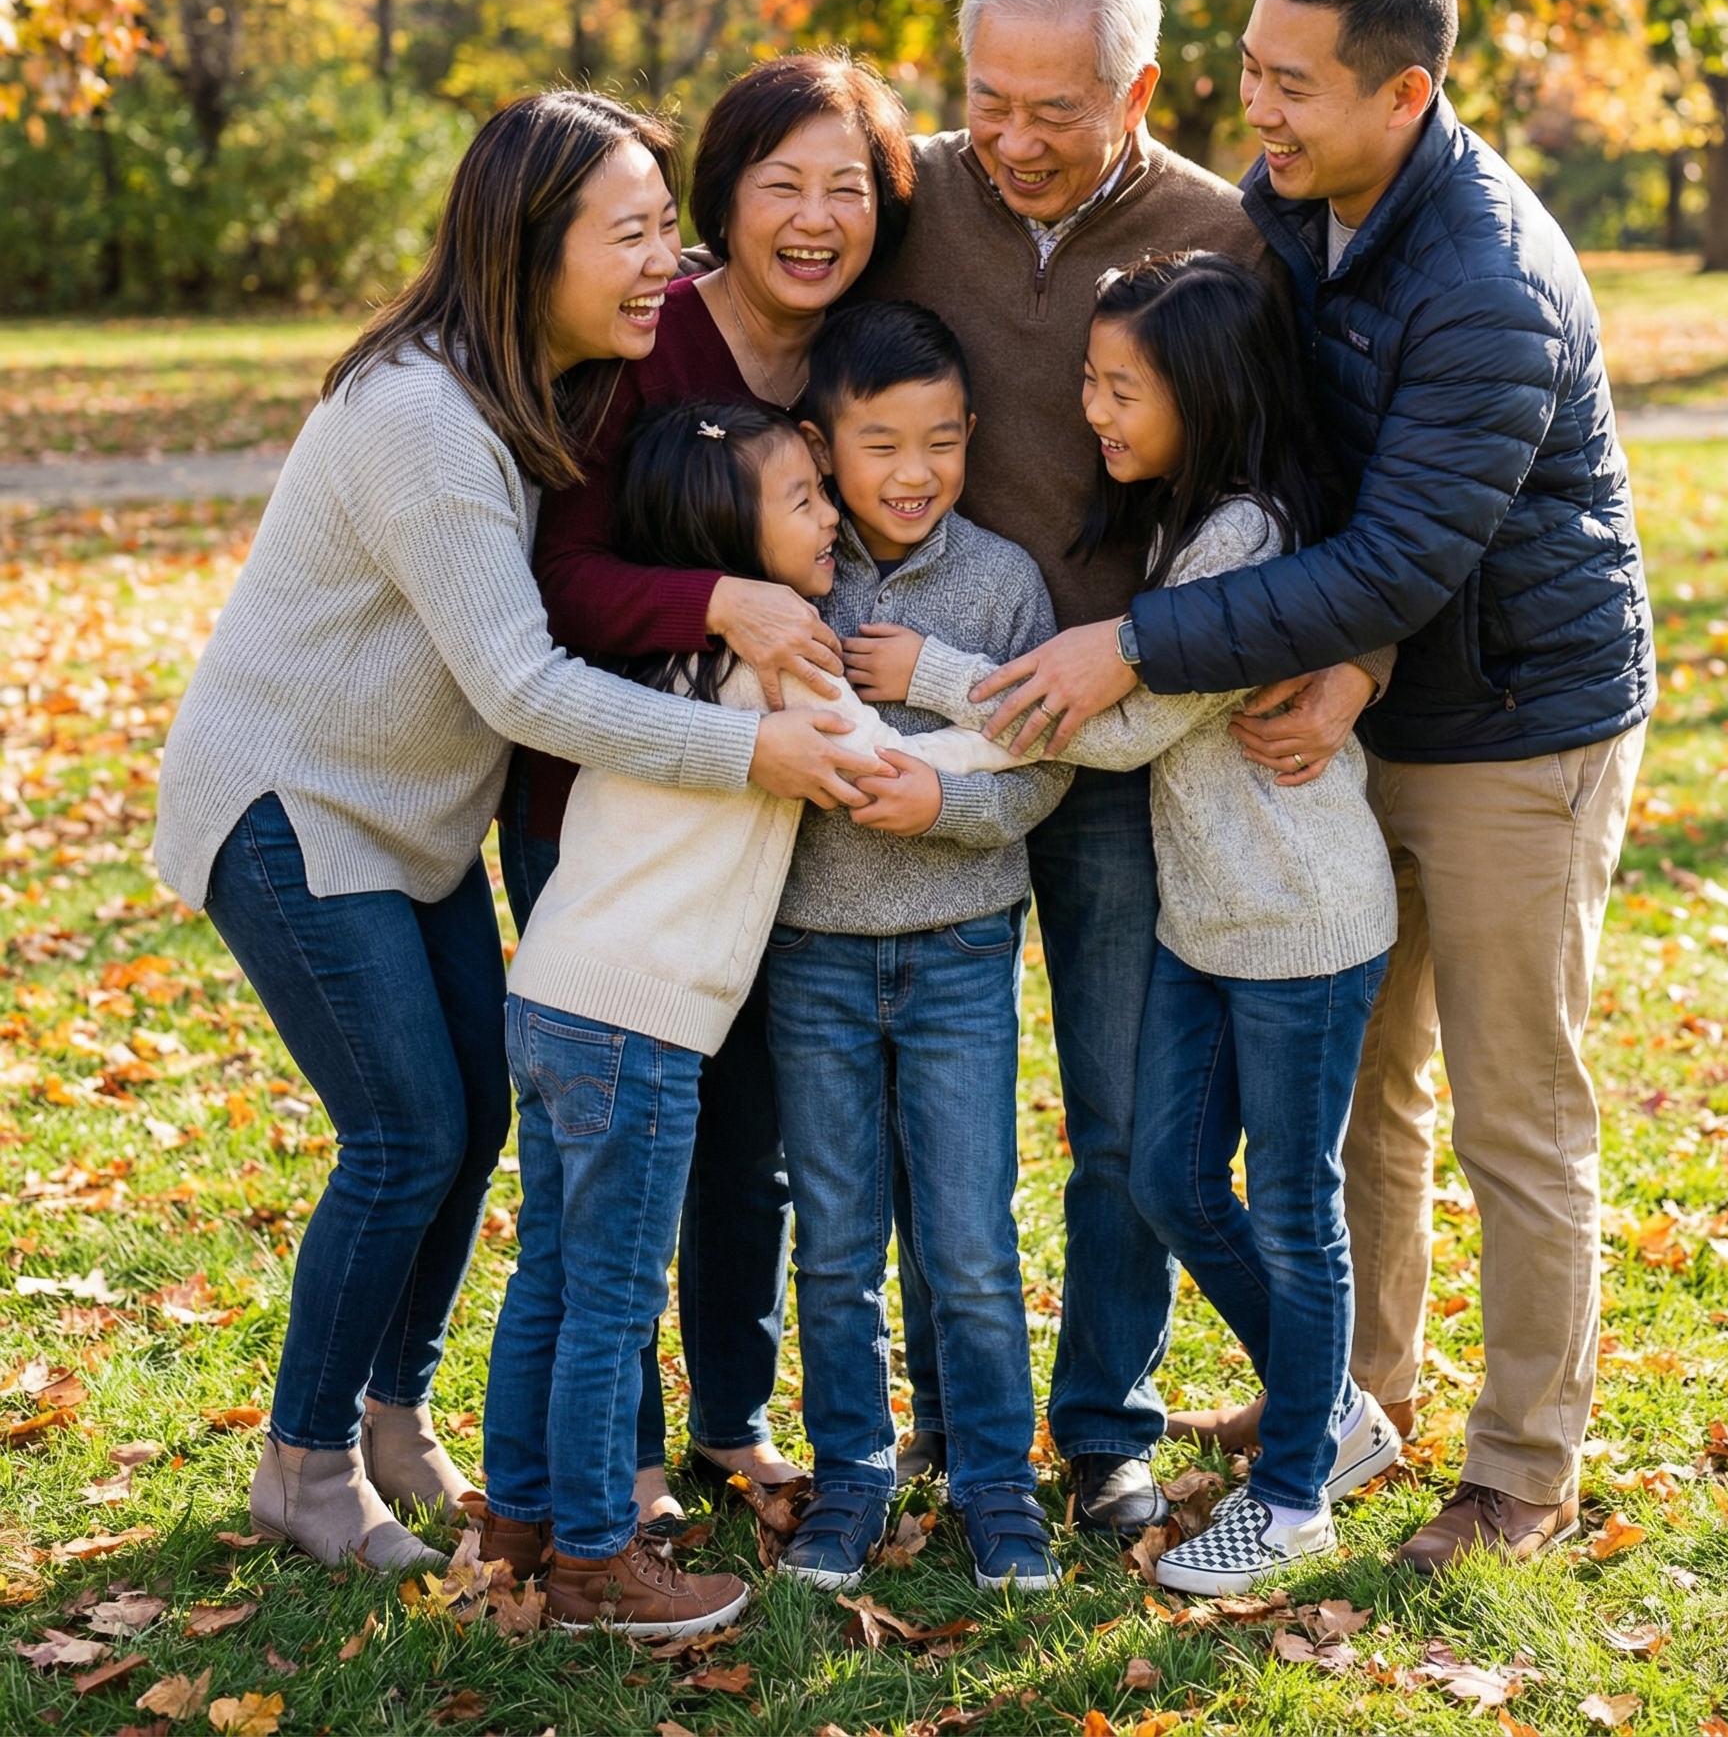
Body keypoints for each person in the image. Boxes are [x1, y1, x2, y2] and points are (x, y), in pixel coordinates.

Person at [963, 0, 1655, 1572]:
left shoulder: (1482, 276)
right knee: (1369, 1100)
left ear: (1400, 91)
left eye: (1287, 84)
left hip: (1515, 729)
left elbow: (1405, 551)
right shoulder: (1301, 206)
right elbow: (1324, 479)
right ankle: (1356, 1395)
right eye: (1249, 71)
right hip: (1365, 707)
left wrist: (1132, 637)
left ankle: (1516, 1473)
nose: (1251, 116)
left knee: (1514, 1108)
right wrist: (1345, 667)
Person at [153, 94, 873, 1574]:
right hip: (292, 809)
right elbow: (525, 684)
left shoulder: (530, 391)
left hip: (404, 822)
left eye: (666, 228)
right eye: (631, 234)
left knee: (471, 1118)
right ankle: (303, 1464)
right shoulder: (424, 416)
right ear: (528, 246)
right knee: (407, 1130)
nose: (665, 264)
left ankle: (391, 1418)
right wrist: (757, 751)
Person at [853, 256, 1402, 1592]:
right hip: (1211, 923)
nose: (1093, 411)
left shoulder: (1245, 543)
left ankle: (1293, 1496)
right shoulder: (1182, 518)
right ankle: (1333, 1406)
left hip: (1301, 927)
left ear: (1202, 393)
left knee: (1291, 1204)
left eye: (1119, 388)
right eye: (1090, 381)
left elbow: (1125, 725)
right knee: (1164, 1174)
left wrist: (926, 674)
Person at [858, 0, 1307, 1535]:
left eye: (1060, 107)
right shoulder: (901, 195)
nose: (1020, 139)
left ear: (1138, 87)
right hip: (934, 724)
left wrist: (1358, 663)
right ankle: (947, 1414)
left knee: (1126, 1110)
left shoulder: (1228, 236)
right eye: (992, 100)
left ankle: (1102, 1426)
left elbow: (1314, 484)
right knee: (922, 1095)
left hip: (1130, 743)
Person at [478, 397, 1025, 1634]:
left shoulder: (649, 660)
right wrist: (1010, 718)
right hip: (643, 1025)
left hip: (556, 993)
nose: (831, 515)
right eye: (804, 501)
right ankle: (592, 1560)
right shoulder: (781, 662)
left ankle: (518, 1517)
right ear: (733, 535)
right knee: (611, 1304)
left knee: (554, 1280)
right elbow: (892, 763)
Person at [503, 55, 914, 1526]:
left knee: (747, 1146)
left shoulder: (868, 354)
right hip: (606, 809)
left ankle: (733, 1422)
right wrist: (724, 603)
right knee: (614, 1174)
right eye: (781, 184)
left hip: (780, 809)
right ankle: (605, 1463)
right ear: (720, 200)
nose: (815, 219)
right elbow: (559, 581)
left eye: (848, 190)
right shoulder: (640, 340)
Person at [761, 303, 1071, 1593]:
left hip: (956, 952)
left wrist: (948, 806)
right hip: (811, 956)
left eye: (939, 441)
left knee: (967, 1237)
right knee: (834, 1238)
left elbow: (1041, 765)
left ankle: (995, 1482)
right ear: (823, 447)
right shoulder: (790, 576)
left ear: (971, 439)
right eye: (878, 441)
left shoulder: (1001, 584)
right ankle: (850, 1478)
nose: (911, 471)